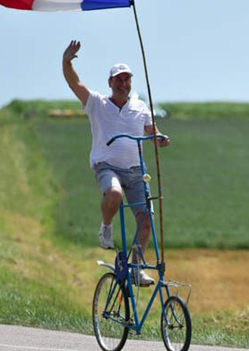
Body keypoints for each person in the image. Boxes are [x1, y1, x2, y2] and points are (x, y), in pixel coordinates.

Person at [62, 40, 170, 286]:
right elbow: (74, 83)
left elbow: (152, 131)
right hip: (107, 166)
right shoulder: (97, 103)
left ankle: (137, 266)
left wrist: (159, 139)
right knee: (113, 193)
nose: (123, 83)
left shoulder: (140, 106)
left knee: (146, 221)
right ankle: (106, 227)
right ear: (110, 83)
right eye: (118, 79)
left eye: (126, 79)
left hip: (136, 170)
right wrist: (67, 61)